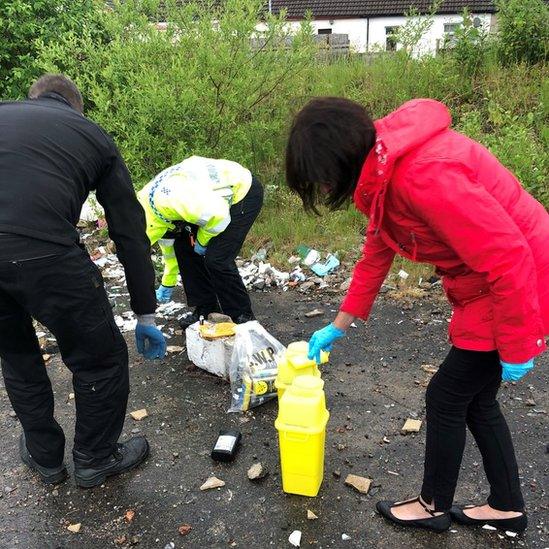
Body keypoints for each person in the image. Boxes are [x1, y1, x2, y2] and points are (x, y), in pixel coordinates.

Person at [286, 97, 548, 533]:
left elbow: (506, 255)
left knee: (446, 397)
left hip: (519, 281)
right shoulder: (384, 169)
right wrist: (338, 324)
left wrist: (521, 343)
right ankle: (507, 507)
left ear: (342, 159)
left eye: (323, 178)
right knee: (476, 400)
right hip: (492, 282)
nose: (325, 189)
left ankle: (433, 507)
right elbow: (376, 252)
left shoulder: (423, 176)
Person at [0, 74, 166, 488]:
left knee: (17, 357)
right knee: (100, 359)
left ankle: (45, 457)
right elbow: (129, 230)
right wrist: (145, 311)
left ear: (31, 100)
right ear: (76, 108)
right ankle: (94, 458)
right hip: (48, 254)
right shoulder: (90, 134)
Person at [137, 156, 263, 326]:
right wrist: (168, 281)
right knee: (183, 246)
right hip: (207, 198)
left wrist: (202, 242)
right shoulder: (148, 211)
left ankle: (243, 318)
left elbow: (219, 217)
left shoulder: (173, 201)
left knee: (217, 258)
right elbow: (170, 248)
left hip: (241, 192)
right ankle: (207, 309)